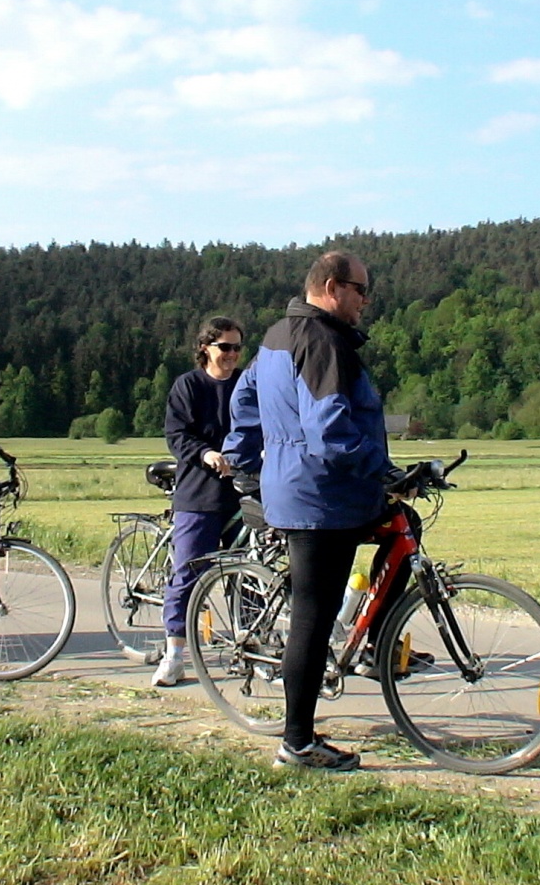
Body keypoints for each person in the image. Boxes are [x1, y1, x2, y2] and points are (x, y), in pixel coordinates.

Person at [225, 251, 392, 771]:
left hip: (298, 489)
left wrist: (248, 460)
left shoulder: (277, 335)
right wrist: (383, 471)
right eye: (361, 290)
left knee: (320, 607)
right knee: (312, 620)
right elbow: (331, 433)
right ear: (331, 287)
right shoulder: (324, 342)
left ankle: (361, 648)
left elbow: (245, 401)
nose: (366, 301)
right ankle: (296, 743)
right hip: (323, 497)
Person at [152, 316, 246, 688]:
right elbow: (177, 435)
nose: (232, 354)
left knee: (249, 573)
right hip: (200, 494)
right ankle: (174, 654)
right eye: (225, 347)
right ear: (205, 347)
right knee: (188, 573)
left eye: (238, 347)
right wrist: (206, 454)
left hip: (241, 494)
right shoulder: (188, 386)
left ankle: (249, 643)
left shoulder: (244, 386)